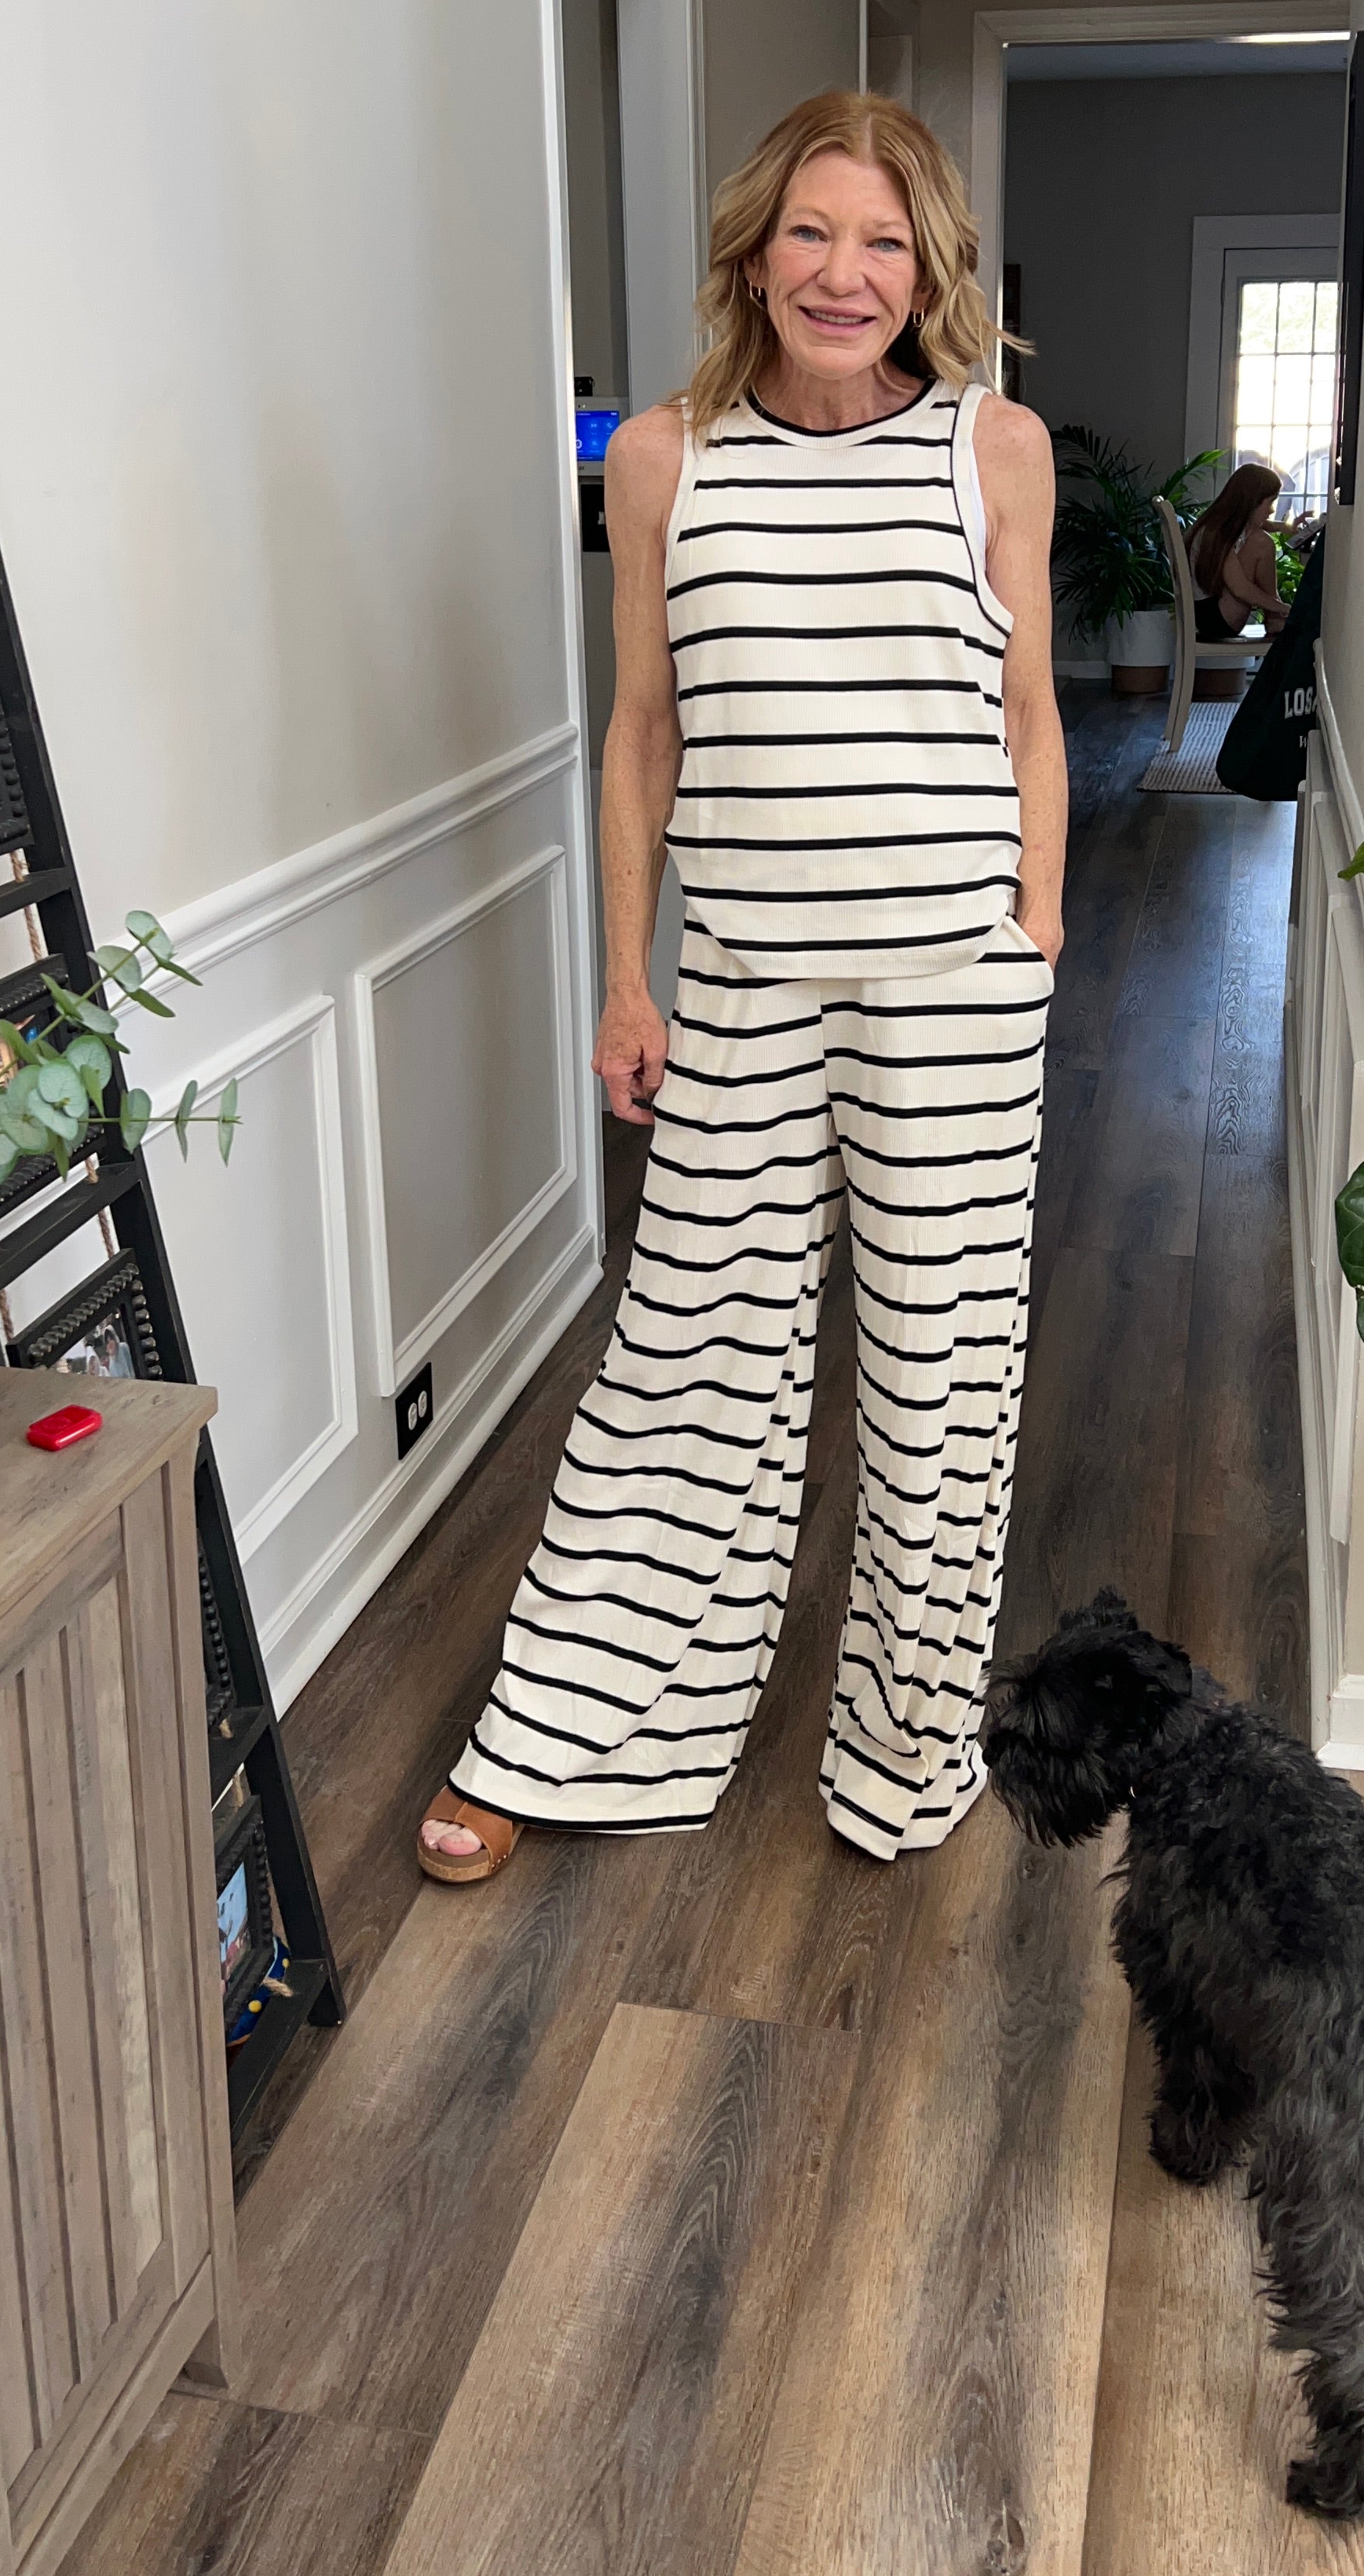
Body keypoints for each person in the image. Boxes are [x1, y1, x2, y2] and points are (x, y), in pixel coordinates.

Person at [419, 90, 1066, 1882]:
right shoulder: (662, 456)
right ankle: (573, 1733)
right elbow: (642, 736)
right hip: (740, 982)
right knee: (683, 1356)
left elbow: (1028, 717)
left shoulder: (991, 448)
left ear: (926, 265)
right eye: (809, 233)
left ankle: (906, 1757)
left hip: (953, 988)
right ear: (754, 253)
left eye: (880, 241)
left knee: (945, 1382)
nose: (842, 273)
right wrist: (627, 984)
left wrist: (1043, 927)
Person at [1186, 457, 1288, 642]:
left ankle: (1275, 617)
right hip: (1216, 619)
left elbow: (1263, 523)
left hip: (1207, 613)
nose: (1272, 510)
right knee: (1261, 542)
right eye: (1270, 503)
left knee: (1259, 536)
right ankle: (1275, 618)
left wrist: (1286, 527)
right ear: (1252, 502)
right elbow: (1240, 589)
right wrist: (1284, 609)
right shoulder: (1219, 532)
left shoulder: (1219, 523)